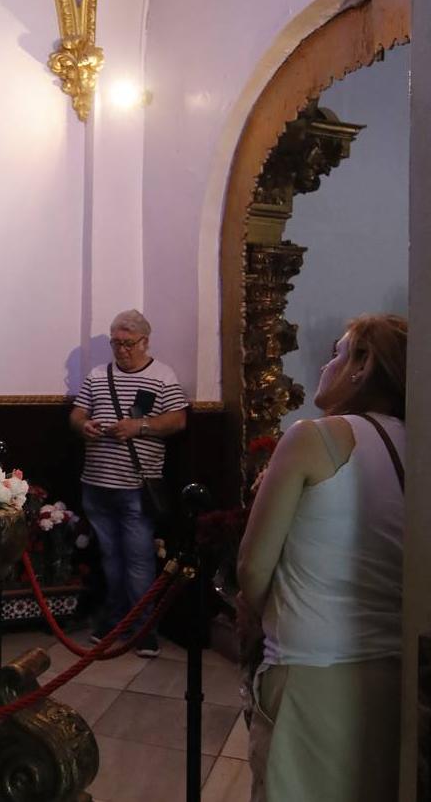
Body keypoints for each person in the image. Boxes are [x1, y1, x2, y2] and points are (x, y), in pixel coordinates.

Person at [237, 314, 407, 802]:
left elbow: (252, 566)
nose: (325, 364)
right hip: (393, 668)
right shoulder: (415, 442)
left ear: (363, 364)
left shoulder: (315, 437)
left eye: (338, 352)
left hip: (311, 667)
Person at [70, 309, 188, 656]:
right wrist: (84, 426)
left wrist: (140, 427)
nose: (121, 350)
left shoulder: (162, 377)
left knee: (138, 561)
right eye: (115, 343)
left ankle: (143, 629)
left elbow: (178, 420)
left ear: (145, 342)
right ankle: (115, 620)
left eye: (128, 344)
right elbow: (77, 414)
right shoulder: (97, 375)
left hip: (137, 486)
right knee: (110, 557)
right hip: (96, 482)